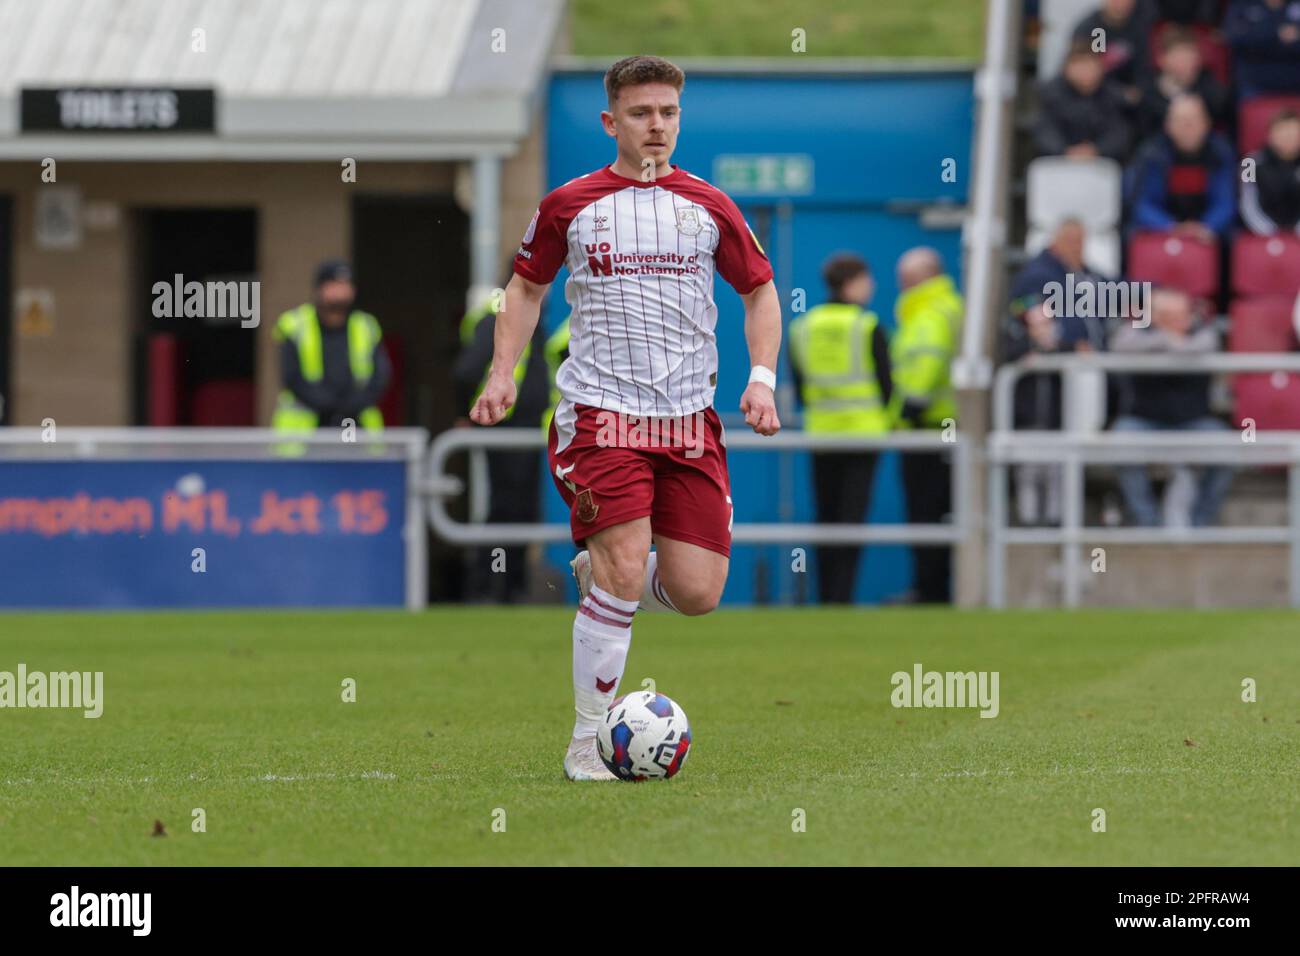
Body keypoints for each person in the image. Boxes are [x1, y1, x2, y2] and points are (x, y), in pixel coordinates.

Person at [469, 55, 781, 781]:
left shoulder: (708, 204)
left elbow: (760, 292)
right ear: (612, 122)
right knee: (619, 566)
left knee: (698, 592)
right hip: (601, 416)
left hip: (687, 422)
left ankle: (606, 572)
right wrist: (503, 373)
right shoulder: (570, 204)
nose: (657, 126)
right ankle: (586, 743)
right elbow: (523, 288)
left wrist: (761, 380)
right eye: (641, 114)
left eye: (668, 113)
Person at [788, 253, 892, 604]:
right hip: (864, 435)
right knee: (852, 519)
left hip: (821, 434)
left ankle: (827, 598)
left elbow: (800, 388)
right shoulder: (867, 325)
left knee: (826, 517)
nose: (872, 287)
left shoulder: (802, 327)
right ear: (853, 283)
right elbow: (888, 385)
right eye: (867, 280)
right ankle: (843, 598)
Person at [1004, 219, 1111, 525]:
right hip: (1033, 405)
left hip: (1060, 402)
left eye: (1082, 240)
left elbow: (1115, 289)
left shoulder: (1085, 275)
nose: (1078, 247)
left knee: (1058, 465)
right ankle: (1029, 523)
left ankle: (1055, 522)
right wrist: (1065, 345)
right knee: (1032, 466)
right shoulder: (1038, 277)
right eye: (1072, 240)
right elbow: (1027, 334)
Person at [453, 292, 551, 603]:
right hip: (507, 425)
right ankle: (489, 586)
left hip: (529, 429)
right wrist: (463, 413)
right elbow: (467, 370)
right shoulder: (498, 314)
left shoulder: (529, 316)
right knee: (506, 508)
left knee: (520, 509)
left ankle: (511, 587)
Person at [1109, 286, 1234, 526]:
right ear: (1154, 315)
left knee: (1229, 450)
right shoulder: (1140, 329)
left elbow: (1205, 346)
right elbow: (1121, 344)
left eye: (1180, 314)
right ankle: (1148, 524)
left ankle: (1200, 523)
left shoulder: (1202, 330)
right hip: (1143, 419)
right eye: (1166, 315)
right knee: (1119, 443)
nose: (1176, 320)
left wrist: (1164, 346)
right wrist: (1167, 338)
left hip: (1194, 420)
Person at [890, 247, 963, 604]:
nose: (900, 285)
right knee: (940, 511)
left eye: (904, 279)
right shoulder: (948, 305)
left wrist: (910, 406)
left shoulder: (929, 311)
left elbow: (927, 361)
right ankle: (934, 588)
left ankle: (929, 591)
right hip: (945, 425)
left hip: (928, 426)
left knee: (925, 510)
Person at [272, 259, 389, 435]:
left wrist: (349, 407)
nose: (340, 292)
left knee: (350, 460)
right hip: (306, 434)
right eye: (333, 285)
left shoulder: (366, 326)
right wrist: (332, 407)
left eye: (345, 285)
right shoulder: (295, 324)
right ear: (319, 289)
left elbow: (380, 377)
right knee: (318, 461)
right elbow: (291, 377)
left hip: (354, 426)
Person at [1127, 93, 1237, 242]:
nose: (1187, 127)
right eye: (1180, 121)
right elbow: (1141, 203)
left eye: (1193, 120)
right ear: (1167, 125)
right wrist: (1170, 227)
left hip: (1209, 231)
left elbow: (1226, 201)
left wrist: (1207, 226)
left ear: (1207, 123)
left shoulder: (1222, 152)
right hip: (1163, 228)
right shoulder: (1151, 154)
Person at [1034, 39, 1133, 161]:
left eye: (1090, 63)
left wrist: (1097, 150)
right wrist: (1065, 151)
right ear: (1066, 67)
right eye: (1079, 64)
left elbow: (1119, 133)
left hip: (1103, 164)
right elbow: (1045, 130)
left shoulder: (1113, 95)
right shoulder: (1051, 93)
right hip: (1057, 162)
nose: (1085, 71)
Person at [1136, 25, 1230, 140]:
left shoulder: (1208, 84)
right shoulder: (1149, 90)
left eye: (1190, 57)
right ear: (1162, 60)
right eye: (1180, 58)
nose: (1187, 63)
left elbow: (1220, 108)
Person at [1072, 0, 1158, 110]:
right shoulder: (1090, 29)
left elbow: (1144, 68)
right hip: (1096, 97)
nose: (1120, 3)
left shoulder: (1141, 25)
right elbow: (1082, 72)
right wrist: (1119, 93)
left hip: (1134, 99)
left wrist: (1139, 90)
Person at [1240, 108, 1300, 235]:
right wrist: (1268, 231)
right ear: (1270, 135)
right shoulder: (1249, 162)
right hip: (1261, 232)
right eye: (1282, 131)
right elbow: (1247, 203)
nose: (1288, 137)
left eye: (1293, 132)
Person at [1224, 0, 1300, 99]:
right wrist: (1276, 34)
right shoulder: (1243, 5)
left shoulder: (1296, 5)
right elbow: (1235, 37)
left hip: (1294, 84)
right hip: (1255, 84)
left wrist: (1262, 41)